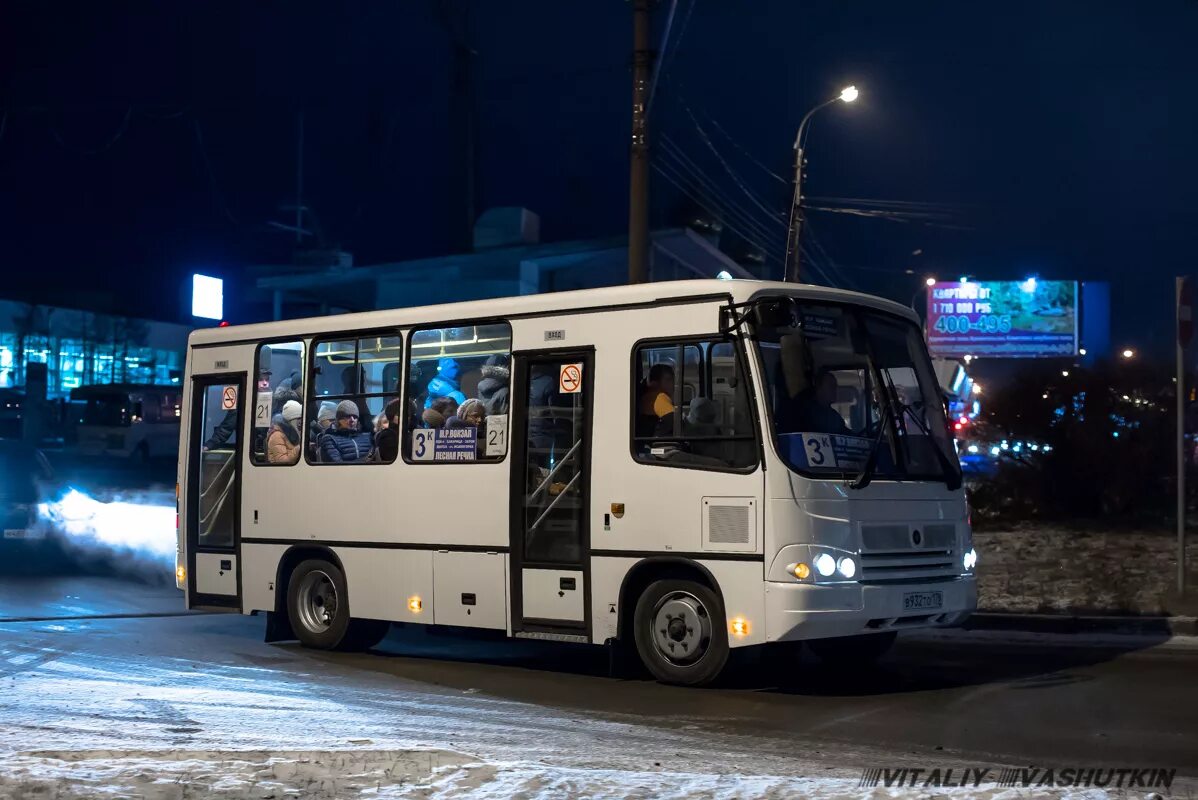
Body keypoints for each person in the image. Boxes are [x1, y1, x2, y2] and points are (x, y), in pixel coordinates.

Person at [791, 370, 850, 436]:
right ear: (819, 388)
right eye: (831, 386)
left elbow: (845, 433)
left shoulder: (834, 416)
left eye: (835, 386)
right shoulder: (806, 412)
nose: (835, 390)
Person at [636, 364, 676, 438]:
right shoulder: (660, 396)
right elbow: (673, 419)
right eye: (669, 379)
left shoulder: (645, 396)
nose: (673, 383)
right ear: (654, 383)